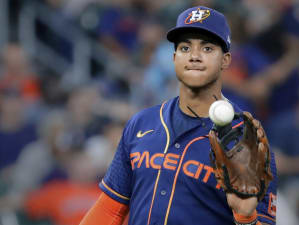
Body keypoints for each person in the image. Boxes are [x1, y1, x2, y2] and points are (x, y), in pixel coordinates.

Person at [80, 6, 277, 225]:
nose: (194, 56)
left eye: (207, 48)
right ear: (174, 58)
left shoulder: (246, 136)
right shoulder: (141, 123)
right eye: (185, 47)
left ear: (226, 60)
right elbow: (108, 210)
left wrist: (246, 217)